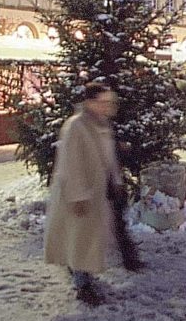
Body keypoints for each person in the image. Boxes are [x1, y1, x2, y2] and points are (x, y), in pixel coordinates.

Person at [44, 84, 139, 306]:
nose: (108, 107)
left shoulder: (101, 125)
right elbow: (70, 163)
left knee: (86, 239)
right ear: (90, 103)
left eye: (109, 102)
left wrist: (116, 180)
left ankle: (82, 276)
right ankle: (82, 284)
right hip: (78, 194)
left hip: (95, 192)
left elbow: (108, 157)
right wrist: (78, 195)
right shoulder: (76, 126)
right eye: (103, 102)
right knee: (80, 239)